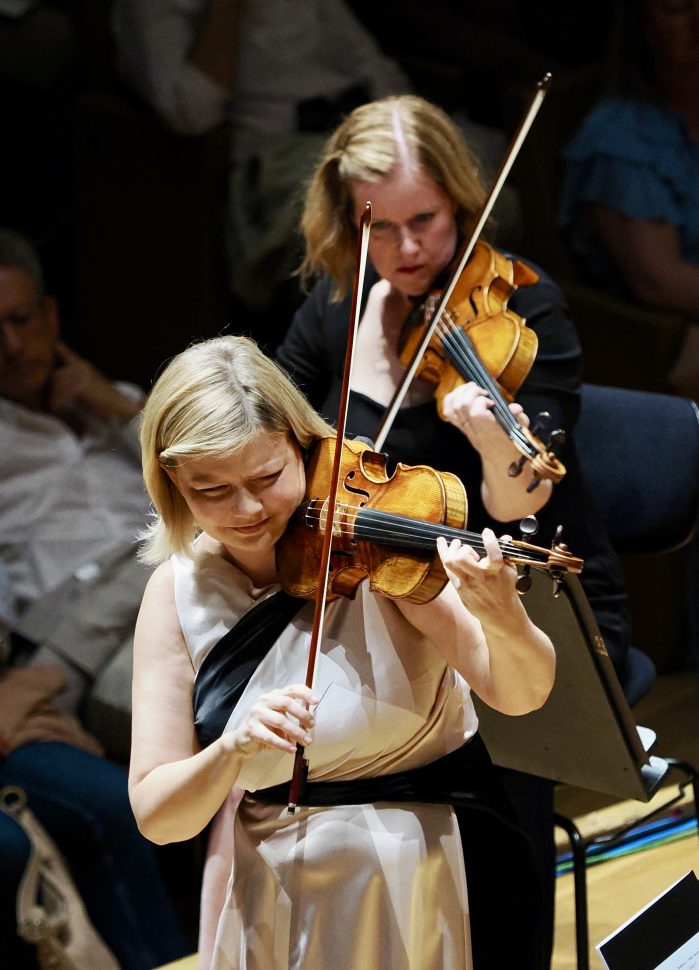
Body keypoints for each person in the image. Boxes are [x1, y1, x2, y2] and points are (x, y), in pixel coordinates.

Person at [275, 93, 634, 967]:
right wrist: (359, 366)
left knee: (480, 796)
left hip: (519, 597)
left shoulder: (523, 308)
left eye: (425, 221)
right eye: (379, 224)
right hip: (384, 603)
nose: (405, 251)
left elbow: (521, 506)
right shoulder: (337, 305)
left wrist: (484, 432)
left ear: (464, 201)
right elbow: (281, 438)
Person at [131, 333, 557, 970]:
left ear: (304, 449)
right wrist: (230, 751)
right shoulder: (174, 593)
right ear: (172, 482)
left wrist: (505, 619)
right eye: (211, 490)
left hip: (440, 870)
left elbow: (520, 695)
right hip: (284, 896)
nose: (246, 509)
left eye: (266, 477)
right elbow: (161, 818)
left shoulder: (373, 547)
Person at [0, 226, 191, 968]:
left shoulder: (128, 411)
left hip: (190, 590)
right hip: (87, 639)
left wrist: (117, 411)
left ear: (50, 317)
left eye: (21, 322)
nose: (11, 347)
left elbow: (217, 477)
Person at [111, 0, 410, 327]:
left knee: (460, 181)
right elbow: (190, 111)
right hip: (280, 158)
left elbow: (370, 63)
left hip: (367, 132)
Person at [559, 0, 699, 398]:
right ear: (642, 27)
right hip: (670, 340)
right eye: (676, 8)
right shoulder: (622, 137)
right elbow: (659, 281)